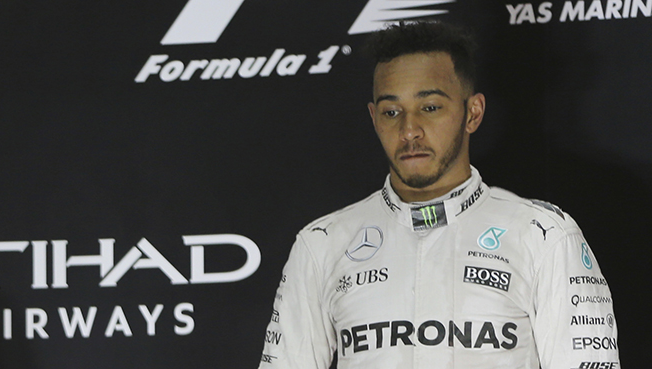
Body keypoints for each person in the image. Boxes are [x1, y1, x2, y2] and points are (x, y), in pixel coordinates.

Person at [259, 21, 619, 369]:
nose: (409, 129)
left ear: (472, 113)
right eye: (391, 112)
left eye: (430, 108)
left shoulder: (543, 235)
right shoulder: (321, 245)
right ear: (373, 118)